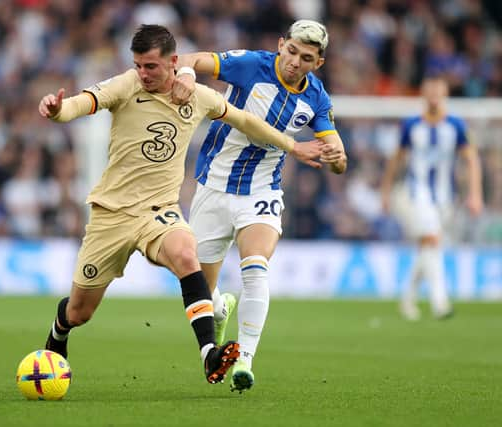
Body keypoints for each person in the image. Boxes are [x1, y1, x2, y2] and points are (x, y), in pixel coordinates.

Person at [39, 24, 323, 385]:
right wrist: (57, 109)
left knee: (188, 254)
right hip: (111, 215)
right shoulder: (126, 85)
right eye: (139, 65)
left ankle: (209, 354)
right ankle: (58, 334)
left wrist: (293, 146)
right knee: (80, 311)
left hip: (159, 211)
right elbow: (82, 103)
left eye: (151, 67)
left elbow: (247, 121)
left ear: (173, 63)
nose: (143, 73)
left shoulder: (199, 97)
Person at [171, 19, 347, 392]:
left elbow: (339, 159)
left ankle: (245, 360)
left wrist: (334, 155)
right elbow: (189, 57)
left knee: (255, 268)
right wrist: (185, 73)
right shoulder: (251, 64)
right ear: (281, 45)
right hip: (213, 188)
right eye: (292, 51)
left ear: (319, 63)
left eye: (307, 57)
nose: (296, 62)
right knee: (201, 290)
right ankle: (220, 309)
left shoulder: (317, 99)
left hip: (262, 192)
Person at [381, 75, 483, 321]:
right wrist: (385, 191)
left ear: (445, 94)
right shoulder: (411, 125)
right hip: (416, 193)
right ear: (424, 94)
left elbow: (471, 160)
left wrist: (475, 194)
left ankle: (407, 299)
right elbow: (396, 159)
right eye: (431, 91)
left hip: (445, 198)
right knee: (432, 239)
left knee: (427, 247)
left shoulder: (457, 126)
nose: (435, 96)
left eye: (439, 91)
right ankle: (440, 302)